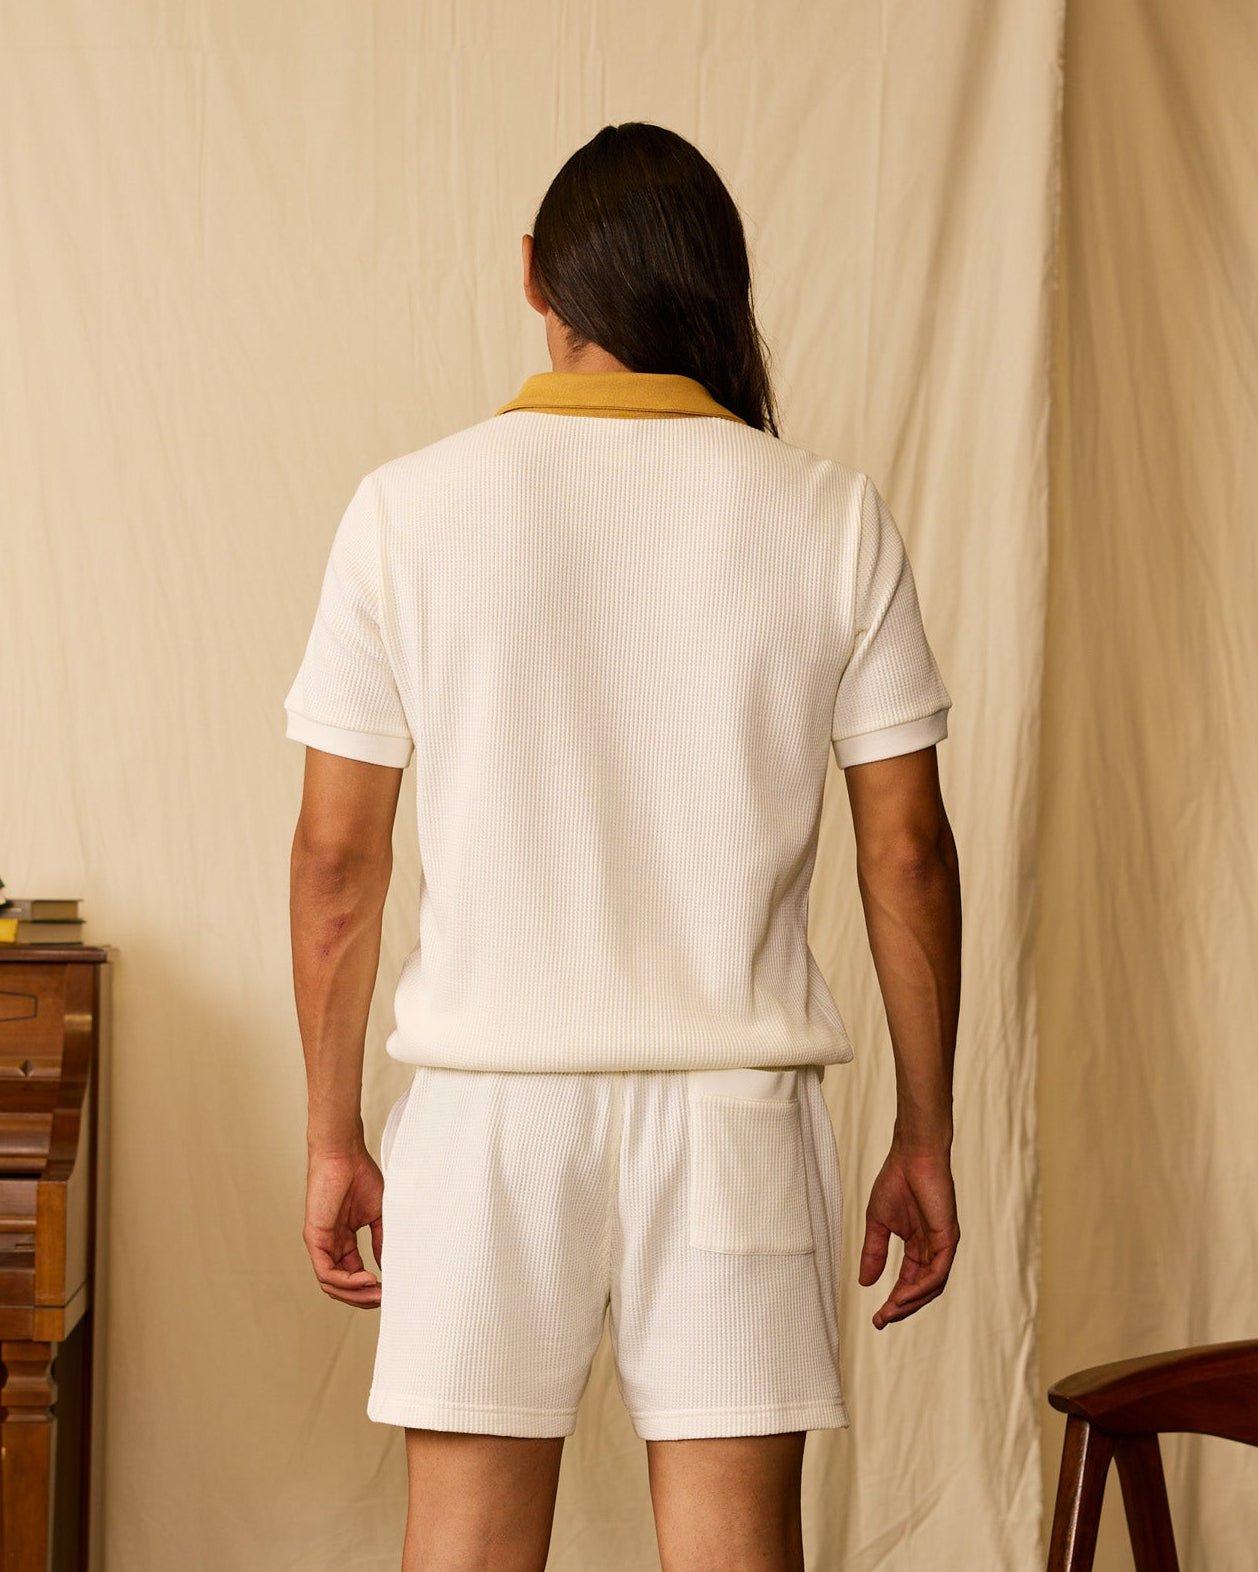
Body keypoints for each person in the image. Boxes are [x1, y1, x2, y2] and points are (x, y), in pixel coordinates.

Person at [285, 121, 961, 1572]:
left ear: (535, 277)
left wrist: (334, 1132)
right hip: (730, 1119)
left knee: (460, 1549)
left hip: (484, 1119)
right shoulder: (826, 516)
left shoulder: (405, 513)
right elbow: (904, 852)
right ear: (714, 292)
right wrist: (922, 1129)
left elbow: (337, 865)